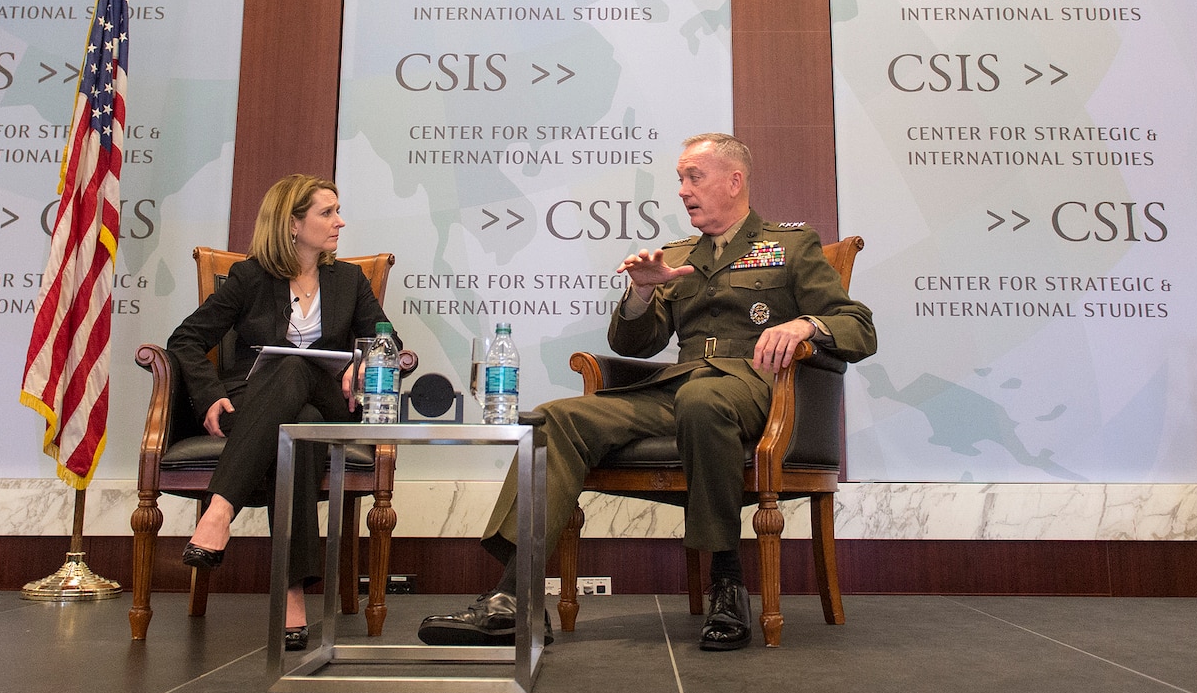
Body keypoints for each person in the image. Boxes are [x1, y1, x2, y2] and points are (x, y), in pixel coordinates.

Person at [418, 133, 875, 651]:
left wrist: (803, 326)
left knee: (705, 401)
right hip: (675, 389)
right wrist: (641, 292)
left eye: (694, 177)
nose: (682, 190)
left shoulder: (790, 245)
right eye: (680, 179)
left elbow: (858, 326)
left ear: (734, 180)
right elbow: (634, 343)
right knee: (555, 418)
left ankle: (726, 579)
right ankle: (514, 597)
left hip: (753, 390)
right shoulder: (677, 256)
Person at [168, 174, 397, 650]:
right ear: (293, 224)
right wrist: (210, 394)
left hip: (331, 400)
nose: (340, 222)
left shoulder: (349, 280)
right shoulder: (252, 277)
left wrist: (367, 361)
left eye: (337, 211)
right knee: (297, 434)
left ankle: (219, 510)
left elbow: (387, 338)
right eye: (327, 212)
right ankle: (293, 598)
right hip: (254, 406)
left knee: (296, 370)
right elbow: (185, 339)